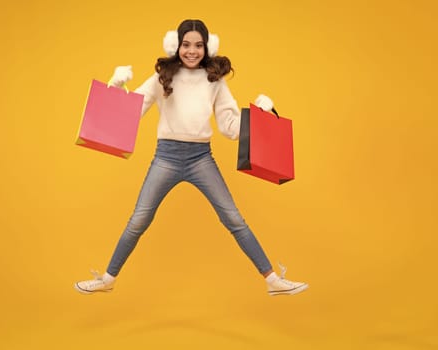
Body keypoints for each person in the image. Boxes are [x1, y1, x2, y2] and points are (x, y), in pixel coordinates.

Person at [75, 19, 308, 296]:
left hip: (201, 159)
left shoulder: (215, 80)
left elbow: (230, 129)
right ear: (177, 46)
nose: (192, 51)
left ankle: (272, 280)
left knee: (233, 218)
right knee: (138, 220)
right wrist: (116, 83)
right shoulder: (163, 77)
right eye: (186, 45)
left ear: (207, 48)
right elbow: (130, 114)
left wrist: (258, 112)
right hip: (166, 157)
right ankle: (107, 279)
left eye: (198, 45)